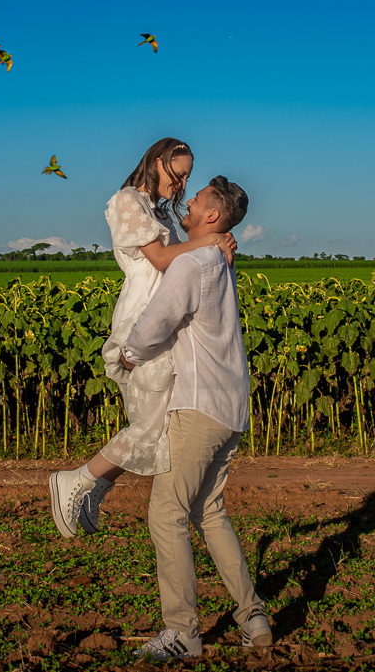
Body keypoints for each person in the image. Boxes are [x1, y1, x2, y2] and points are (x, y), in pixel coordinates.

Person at [49, 138, 236, 539]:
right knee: (151, 428)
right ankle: (77, 481)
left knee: (160, 431)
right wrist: (212, 239)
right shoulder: (127, 201)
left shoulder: (159, 213)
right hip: (143, 318)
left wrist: (216, 239)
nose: (183, 182)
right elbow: (161, 260)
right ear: (157, 162)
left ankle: (94, 484)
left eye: (187, 176)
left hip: (166, 320)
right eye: (178, 172)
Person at [118, 175, 272, 660]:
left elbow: (156, 323)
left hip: (198, 407)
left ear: (211, 216)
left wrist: (128, 354)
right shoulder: (219, 262)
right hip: (232, 410)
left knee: (167, 514)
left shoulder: (193, 263)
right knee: (210, 511)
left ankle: (183, 632)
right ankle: (253, 617)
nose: (188, 201)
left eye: (198, 197)